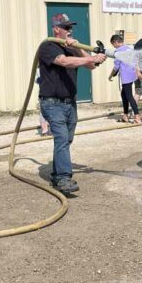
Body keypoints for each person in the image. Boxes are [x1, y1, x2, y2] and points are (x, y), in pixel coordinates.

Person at [38, 13, 106, 194]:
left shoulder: (71, 48)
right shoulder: (48, 46)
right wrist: (91, 58)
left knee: (66, 140)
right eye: (66, 27)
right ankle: (63, 178)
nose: (70, 30)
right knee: (61, 138)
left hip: (69, 103)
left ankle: (56, 174)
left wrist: (79, 49)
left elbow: (90, 66)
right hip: (52, 103)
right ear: (56, 29)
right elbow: (64, 62)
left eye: (71, 27)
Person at [108, 33, 142, 124]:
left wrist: (110, 76)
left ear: (116, 42)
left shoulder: (118, 52)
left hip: (126, 77)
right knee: (124, 95)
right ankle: (125, 115)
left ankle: (137, 116)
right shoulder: (129, 49)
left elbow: (116, 68)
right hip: (132, 75)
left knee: (129, 97)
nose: (113, 47)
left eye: (113, 44)